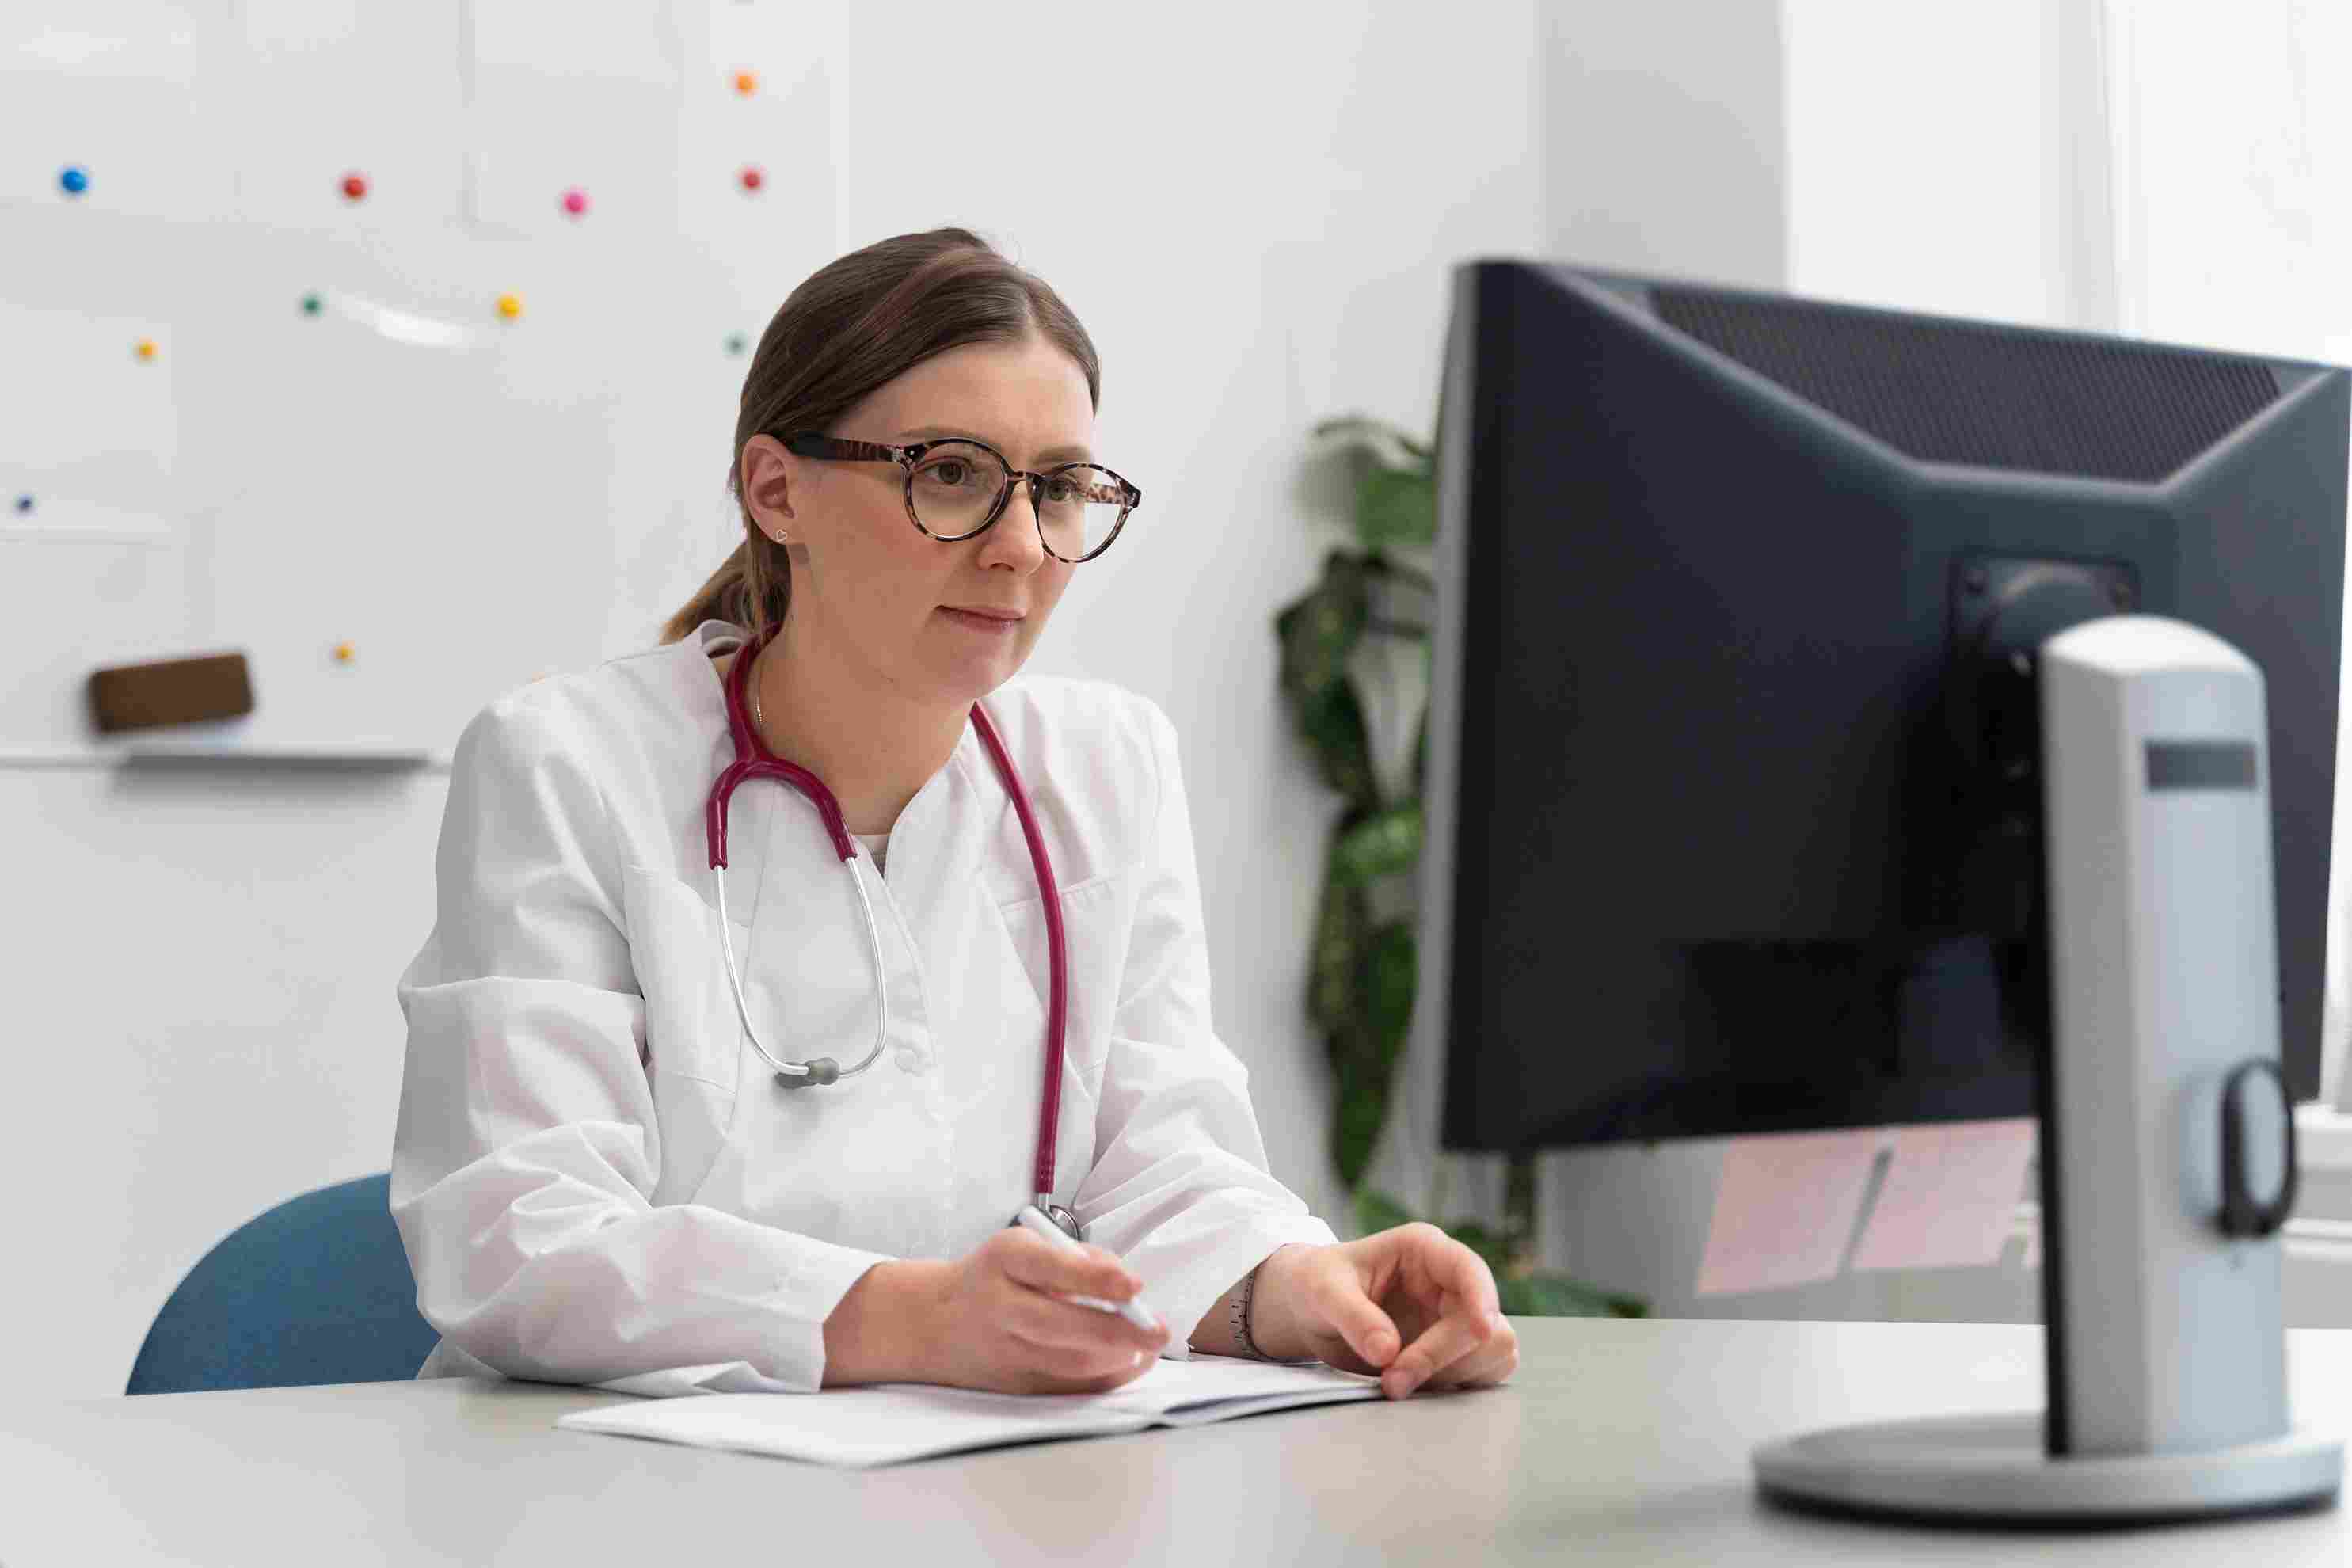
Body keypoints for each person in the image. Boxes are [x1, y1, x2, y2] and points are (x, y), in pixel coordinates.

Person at [390, 226, 1519, 1402]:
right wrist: (912, 1316)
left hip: (983, 1482)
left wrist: (1291, 1287)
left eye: (1063, 489)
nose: (1021, 549)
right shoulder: (569, 764)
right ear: (778, 491)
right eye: (951, 476)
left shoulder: (1102, 765)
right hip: (598, 1491)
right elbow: (520, 1234)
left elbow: (1165, 1160)